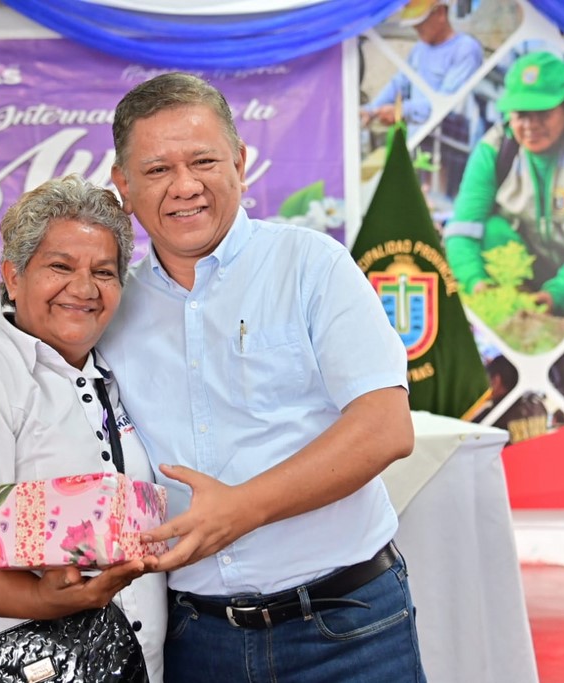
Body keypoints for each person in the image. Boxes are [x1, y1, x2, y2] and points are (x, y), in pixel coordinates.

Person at [100, 73, 425, 682]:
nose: (185, 186)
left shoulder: (311, 265)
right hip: (196, 640)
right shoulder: (112, 309)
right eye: (157, 170)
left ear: (240, 163)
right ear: (124, 186)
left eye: (203, 161)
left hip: (346, 626)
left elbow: (385, 428)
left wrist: (241, 509)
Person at [0, 175, 166, 683]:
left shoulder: (115, 377)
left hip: (134, 668)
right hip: (22, 667)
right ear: (13, 277)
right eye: (60, 267)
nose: (84, 289)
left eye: (103, 272)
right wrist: (43, 599)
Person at [445, 51, 564, 319]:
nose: (530, 126)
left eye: (542, 113)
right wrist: (476, 283)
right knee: (492, 231)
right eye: (521, 114)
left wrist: (558, 294)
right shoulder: (494, 148)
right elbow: (461, 230)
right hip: (535, 270)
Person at [361, 1, 483, 129]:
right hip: (418, 137)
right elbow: (399, 83)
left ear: (440, 13)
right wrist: (370, 110)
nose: (415, 27)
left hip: (449, 137)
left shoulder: (465, 49)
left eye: (420, 22)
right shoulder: (419, 49)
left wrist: (402, 111)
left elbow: (447, 103)